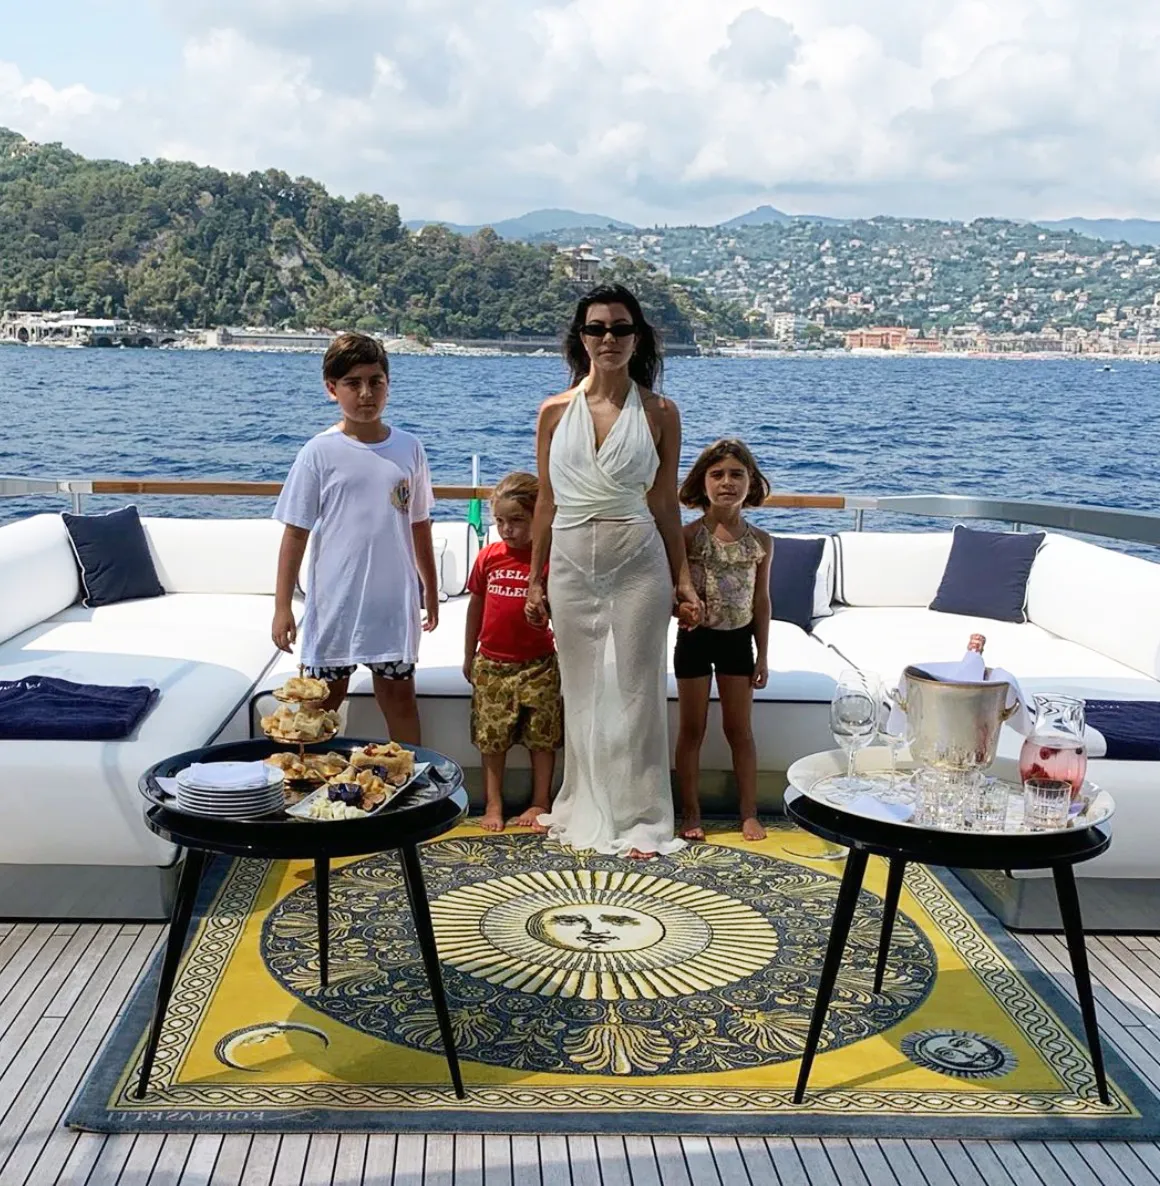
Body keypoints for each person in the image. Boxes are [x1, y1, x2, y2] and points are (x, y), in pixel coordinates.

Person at [526, 283, 701, 859]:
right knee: (580, 689)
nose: (609, 338)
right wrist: (534, 577)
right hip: (570, 566)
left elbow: (665, 503)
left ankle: (642, 816)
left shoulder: (661, 413)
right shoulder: (554, 412)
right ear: (581, 338)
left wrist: (682, 579)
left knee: (637, 690)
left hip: (639, 566)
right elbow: (547, 501)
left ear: (638, 338)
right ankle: (583, 801)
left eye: (621, 328)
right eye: (597, 328)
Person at [271, 332, 439, 743]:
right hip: (336, 605)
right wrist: (282, 607)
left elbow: (419, 524)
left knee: (400, 701)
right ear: (332, 389)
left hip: (392, 607)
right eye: (353, 383)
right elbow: (296, 532)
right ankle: (312, 777)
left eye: (375, 381)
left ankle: (410, 776)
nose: (366, 393)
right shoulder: (318, 452)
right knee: (320, 705)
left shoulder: (409, 449)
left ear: (388, 385)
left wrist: (430, 591)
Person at [674, 439, 772, 841]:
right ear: (703, 482)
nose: (726, 482)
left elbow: (761, 601)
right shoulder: (687, 536)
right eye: (717, 475)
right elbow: (671, 593)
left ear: (751, 482)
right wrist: (681, 609)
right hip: (695, 641)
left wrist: (763, 654)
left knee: (739, 730)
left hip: (738, 642)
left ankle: (748, 811)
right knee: (691, 729)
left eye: (736, 474)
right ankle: (691, 811)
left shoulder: (761, 541)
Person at [463, 471, 562, 832]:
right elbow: (476, 605)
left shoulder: (549, 561)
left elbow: (561, 611)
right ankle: (494, 802)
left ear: (539, 517)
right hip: (492, 663)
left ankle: (541, 800)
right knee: (492, 739)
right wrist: (468, 654)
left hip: (539, 664)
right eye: (500, 521)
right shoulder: (489, 557)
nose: (507, 529)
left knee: (542, 737)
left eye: (517, 520)